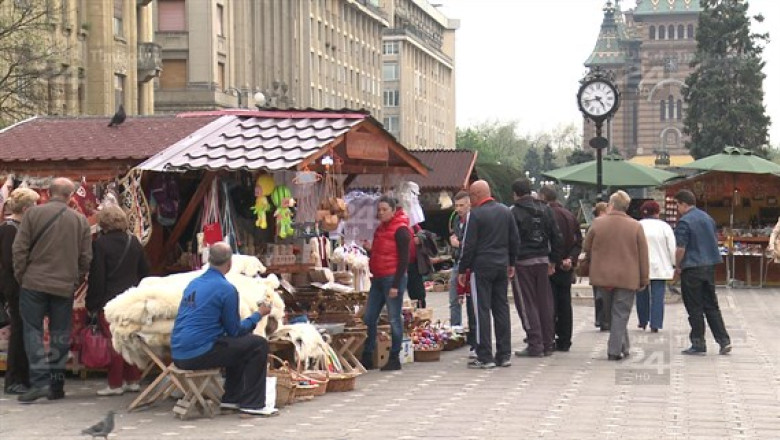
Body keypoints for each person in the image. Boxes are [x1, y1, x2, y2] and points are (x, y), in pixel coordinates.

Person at [171, 242, 276, 416]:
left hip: (178, 353)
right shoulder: (227, 289)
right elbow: (235, 330)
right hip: (198, 352)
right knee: (258, 344)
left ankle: (232, 399)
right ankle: (252, 403)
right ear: (229, 264)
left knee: (236, 345)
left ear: (209, 260)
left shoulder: (193, 284)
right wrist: (258, 314)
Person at [12, 177, 92, 403]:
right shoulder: (80, 221)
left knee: (33, 332)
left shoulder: (32, 215)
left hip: (33, 283)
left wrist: (22, 276)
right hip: (64, 285)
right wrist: (75, 280)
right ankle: (56, 384)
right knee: (59, 334)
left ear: (48, 192)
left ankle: (39, 383)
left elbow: (19, 250)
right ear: (71, 195)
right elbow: (86, 258)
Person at [86, 206, 150, 396]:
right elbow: (145, 271)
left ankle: (115, 384)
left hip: (109, 300)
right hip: (131, 299)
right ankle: (133, 379)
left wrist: (92, 303)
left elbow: (97, 277)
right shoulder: (134, 242)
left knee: (115, 342)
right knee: (130, 340)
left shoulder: (101, 244)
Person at [458, 180, 520, 369]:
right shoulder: (505, 211)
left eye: (471, 196)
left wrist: (463, 269)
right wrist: (512, 262)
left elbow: (468, 246)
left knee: (481, 311)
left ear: (476, 196)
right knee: (501, 308)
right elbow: (514, 239)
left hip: (481, 268)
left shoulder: (474, 216)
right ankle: (504, 354)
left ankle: (484, 355)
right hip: (501, 266)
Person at [583, 191, 649, 361]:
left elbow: (586, 247)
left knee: (612, 313)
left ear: (611, 204)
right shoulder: (635, 226)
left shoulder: (597, 223)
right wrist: (644, 278)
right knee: (620, 313)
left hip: (603, 277)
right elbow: (643, 255)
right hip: (627, 277)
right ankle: (614, 350)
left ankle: (623, 346)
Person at [673, 189, 731, 355]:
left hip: (692, 267)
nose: (677, 209)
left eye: (677, 205)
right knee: (711, 305)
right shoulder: (708, 218)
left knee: (694, 307)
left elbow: (681, 247)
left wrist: (677, 265)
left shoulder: (684, 222)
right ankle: (723, 340)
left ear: (683, 204)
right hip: (709, 266)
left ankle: (698, 342)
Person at [511, 178, 563, 358]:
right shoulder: (546, 209)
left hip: (522, 262)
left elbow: (511, 240)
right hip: (542, 260)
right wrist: (554, 260)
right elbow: (556, 236)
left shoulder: (514, 212)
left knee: (527, 303)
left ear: (515, 194)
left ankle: (535, 343)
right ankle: (548, 342)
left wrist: (510, 262)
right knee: (545, 302)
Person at [361, 196, 413, 371]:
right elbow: (380, 252)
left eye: (384, 209)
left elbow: (404, 259)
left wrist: (396, 285)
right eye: (379, 210)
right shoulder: (380, 229)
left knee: (394, 318)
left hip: (392, 278)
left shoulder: (401, 230)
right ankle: (368, 355)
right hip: (378, 278)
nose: (381, 213)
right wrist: (371, 250)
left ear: (393, 210)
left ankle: (394, 357)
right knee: (369, 317)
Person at [0, 188, 40, 395]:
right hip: (15, 288)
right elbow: (10, 262)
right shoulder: (10, 229)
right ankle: (14, 378)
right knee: (19, 332)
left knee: (23, 331)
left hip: (19, 286)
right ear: (26, 208)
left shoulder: (17, 227)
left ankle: (22, 377)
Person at [539, 185, 582, 352]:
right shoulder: (570, 215)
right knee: (565, 303)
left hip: (551, 265)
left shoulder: (546, 215)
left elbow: (549, 240)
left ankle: (550, 337)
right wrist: (570, 258)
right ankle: (565, 339)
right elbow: (578, 241)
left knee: (550, 303)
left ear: (543, 198)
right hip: (566, 265)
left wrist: (554, 260)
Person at [636, 201, 676, 333]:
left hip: (641, 265)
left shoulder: (638, 225)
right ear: (657, 212)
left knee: (641, 294)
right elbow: (672, 247)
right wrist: (674, 263)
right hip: (660, 265)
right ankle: (656, 323)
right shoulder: (664, 227)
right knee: (658, 295)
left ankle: (642, 321)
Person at [447, 191, 477, 356]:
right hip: (458, 262)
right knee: (454, 299)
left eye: (461, 205)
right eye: (456, 206)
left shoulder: (474, 219)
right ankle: (456, 332)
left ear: (469, 204)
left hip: (471, 265)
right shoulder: (457, 220)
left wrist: (459, 244)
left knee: (472, 301)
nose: (458, 209)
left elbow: (471, 243)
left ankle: (473, 334)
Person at [591, 202, 609, 330]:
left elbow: (587, 245)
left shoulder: (593, 225)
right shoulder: (604, 225)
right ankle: (604, 319)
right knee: (604, 292)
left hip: (596, 262)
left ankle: (599, 318)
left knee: (598, 291)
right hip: (606, 262)